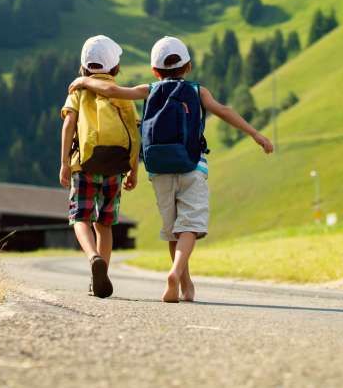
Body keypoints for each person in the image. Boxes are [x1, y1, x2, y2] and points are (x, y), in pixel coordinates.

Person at [68, 35, 273, 303]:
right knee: (189, 225)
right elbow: (223, 110)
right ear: (187, 67)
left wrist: (83, 81)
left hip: (159, 169)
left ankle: (185, 286)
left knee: (173, 230)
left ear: (155, 71)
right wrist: (256, 134)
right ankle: (175, 273)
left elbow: (112, 91)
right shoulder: (198, 91)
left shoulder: (149, 89)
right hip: (192, 166)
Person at [60, 35, 140, 298]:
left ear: (83, 67)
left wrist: (63, 163)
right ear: (114, 67)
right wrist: (133, 170)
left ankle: (93, 257)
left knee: (80, 217)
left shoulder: (78, 91)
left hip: (83, 164)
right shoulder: (121, 95)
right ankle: (101, 275)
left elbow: (69, 125)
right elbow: (135, 133)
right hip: (115, 167)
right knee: (104, 224)